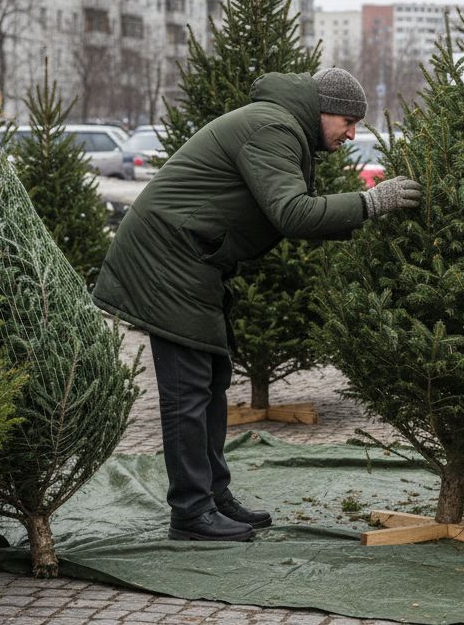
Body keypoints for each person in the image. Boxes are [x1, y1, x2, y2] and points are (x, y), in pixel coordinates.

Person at [93, 68, 422, 542]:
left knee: (211, 381)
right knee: (188, 392)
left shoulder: (282, 125)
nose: (352, 134)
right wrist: (371, 203)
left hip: (194, 258)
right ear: (323, 109)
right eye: (348, 121)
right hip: (167, 258)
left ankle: (214, 496)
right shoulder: (274, 127)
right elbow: (292, 212)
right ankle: (191, 512)